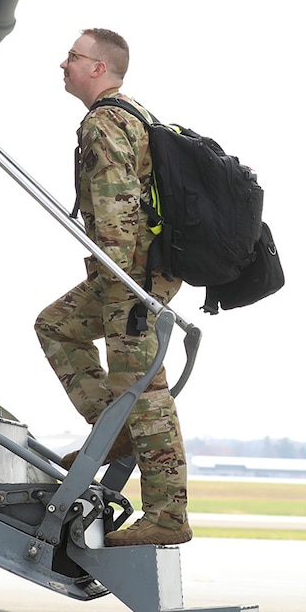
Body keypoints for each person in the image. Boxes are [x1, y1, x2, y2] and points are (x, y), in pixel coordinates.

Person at [36, 28, 190, 548]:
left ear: (99, 68)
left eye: (74, 57)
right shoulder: (136, 113)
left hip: (132, 277)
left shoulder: (104, 121)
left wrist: (124, 287)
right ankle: (113, 428)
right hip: (139, 272)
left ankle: (168, 514)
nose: (64, 63)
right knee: (56, 325)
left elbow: (117, 208)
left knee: (145, 389)